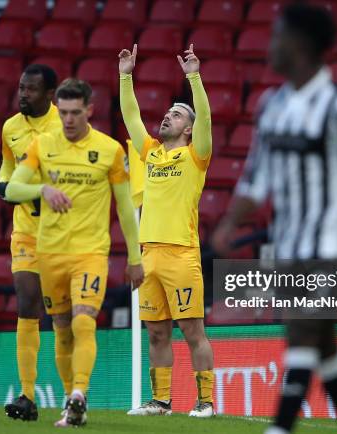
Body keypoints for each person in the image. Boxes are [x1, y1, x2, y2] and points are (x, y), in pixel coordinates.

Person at [211, 4, 337, 434]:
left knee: (301, 336)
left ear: (301, 45)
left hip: (327, 247)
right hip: (287, 247)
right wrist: (228, 225)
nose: (270, 46)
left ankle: (279, 427)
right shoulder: (271, 105)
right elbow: (256, 178)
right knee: (324, 348)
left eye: (277, 37)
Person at [5, 78, 144, 427]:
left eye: (74, 113)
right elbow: (12, 188)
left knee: (84, 320)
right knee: (63, 330)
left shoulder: (110, 150)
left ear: (89, 111)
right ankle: (72, 404)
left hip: (90, 252)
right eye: (63, 113)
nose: (67, 120)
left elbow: (126, 209)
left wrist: (135, 257)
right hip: (49, 252)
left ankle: (80, 392)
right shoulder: (43, 145)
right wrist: (43, 189)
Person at [119, 44, 216, 418]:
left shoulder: (196, 155)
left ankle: (205, 402)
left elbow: (205, 115)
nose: (166, 117)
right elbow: (130, 117)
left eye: (175, 115)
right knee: (157, 333)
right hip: (148, 256)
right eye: (167, 112)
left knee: (193, 332)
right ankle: (160, 401)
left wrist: (194, 76)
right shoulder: (151, 153)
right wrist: (125, 76)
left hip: (181, 254)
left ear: (188, 129)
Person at [0, 64, 61, 422]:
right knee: (26, 303)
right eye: (21, 88)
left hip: (61, 234)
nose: (23, 94)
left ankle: (74, 395)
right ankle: (27, 395)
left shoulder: (64, 126)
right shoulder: (10, 127)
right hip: (25, 230)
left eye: (31, 89)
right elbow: (7, 170)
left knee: (64, 316)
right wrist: (4, 186)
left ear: (49, 94)